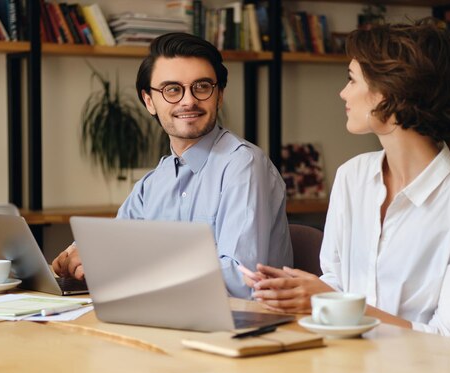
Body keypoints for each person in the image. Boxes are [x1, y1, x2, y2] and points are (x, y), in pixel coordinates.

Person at [242, 18, 450, 345]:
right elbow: (338, 283)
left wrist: (330, 301)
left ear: (389, 92)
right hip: (359, 364)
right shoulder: (352, 177)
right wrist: (297, 293)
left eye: (352, 80)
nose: (343, 92)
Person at [53, 32, 293, 299]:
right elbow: (113, 245)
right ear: (149, 101)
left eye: (202, 87)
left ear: (219, 95)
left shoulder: (243, 165)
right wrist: (82, 253)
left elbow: (241, 279)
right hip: (167, 317)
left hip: (239, 325)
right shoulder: (154, 182)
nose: (188, 100)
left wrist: (134, 265)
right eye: (172, 90)